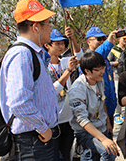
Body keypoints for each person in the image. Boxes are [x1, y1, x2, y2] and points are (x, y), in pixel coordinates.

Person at [0, 0, 59, 160]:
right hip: (32, 142)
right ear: (35, 27)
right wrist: (42, 128)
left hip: (37, 139)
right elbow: (19, 102)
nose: (50, 29)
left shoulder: (33, 54)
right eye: (47, 24)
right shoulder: (22, 54)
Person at [69, 51, 119, 160]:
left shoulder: (98, 81)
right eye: (98, 70)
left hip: (101, 127)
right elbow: (83, 121)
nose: (102, 72)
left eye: (103, 67)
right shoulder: (77, 90)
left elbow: (102, 102)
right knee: (108, 151)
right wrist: (104, 139)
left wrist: (108, 123)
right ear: (87, 71)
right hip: (85, 132)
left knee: (91, 156)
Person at [44, 28, 82, 160]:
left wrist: (72, 38)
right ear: (47, 45)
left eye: (63, 43)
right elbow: (51, 91)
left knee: (66, 155)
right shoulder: (44, 67)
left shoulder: (65, 61)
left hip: (68, 119)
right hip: (53, 122)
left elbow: (80, 57)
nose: (61, 46)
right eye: (57, 43)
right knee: (53, 156)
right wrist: (67, 72)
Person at [86, 27, 118, 131]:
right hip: (97, 111)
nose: (102, 41)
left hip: (109, 109)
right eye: (98, 39)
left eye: (103, 39)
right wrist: (109, 43)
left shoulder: (105, 59)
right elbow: (95, 56)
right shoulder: (86, 58)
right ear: (88, 42)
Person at [108, 30, 126, 125]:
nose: (125, 40)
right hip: (117, 76)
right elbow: (107, 62)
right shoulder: (114, 50)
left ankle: (125, 114)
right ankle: (117, 114)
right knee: (118, 95)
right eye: (124, 38)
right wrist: (114, 63)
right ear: (119, 39)